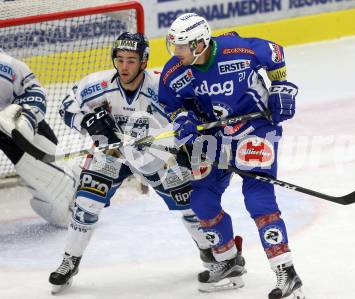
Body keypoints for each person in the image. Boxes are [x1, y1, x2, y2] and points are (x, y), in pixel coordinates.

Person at [49, 32, 215, 294]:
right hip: (112, 152)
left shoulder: (162, 86)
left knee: (190, 203)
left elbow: (192, 115)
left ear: (144, 62)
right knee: (86, 203)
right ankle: (70, 260)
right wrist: (88, 122)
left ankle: (212, 254)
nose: (124, 67)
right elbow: (67, 108)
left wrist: (186, 146)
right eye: (120, 59)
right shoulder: (96, 84)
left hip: (158, 154)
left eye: (131, 60)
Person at [158, 13, 305, 299]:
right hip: (213, 135)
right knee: (201, 200)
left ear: (200, 43)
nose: (176, 53)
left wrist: (281, 88)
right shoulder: (175, 71)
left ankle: (286, 272)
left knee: (258, 198)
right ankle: (228, 262)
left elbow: (276, 53)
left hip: (255, 127)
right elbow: (172, 104)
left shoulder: (238, 50)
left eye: (182, 46)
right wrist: (182, 119)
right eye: (174, 46)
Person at [0, 50, 77, 227]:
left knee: (58, 180)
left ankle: (69, 187)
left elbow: (32, 91)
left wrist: (27, 117)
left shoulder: (7, 67)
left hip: (7, 122)